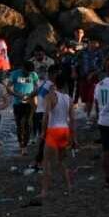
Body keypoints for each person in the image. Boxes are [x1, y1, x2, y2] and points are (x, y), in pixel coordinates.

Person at [34, 74, 76, 204]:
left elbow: (46, 116)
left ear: (54, 83)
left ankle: (44, 191)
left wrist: (42, 132)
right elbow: (72, 119)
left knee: (46, 162)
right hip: (64, 130)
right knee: (61, 161)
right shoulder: (68, 98)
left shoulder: (50, 96)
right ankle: (69, 186)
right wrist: (73, 136)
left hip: (53, 130)